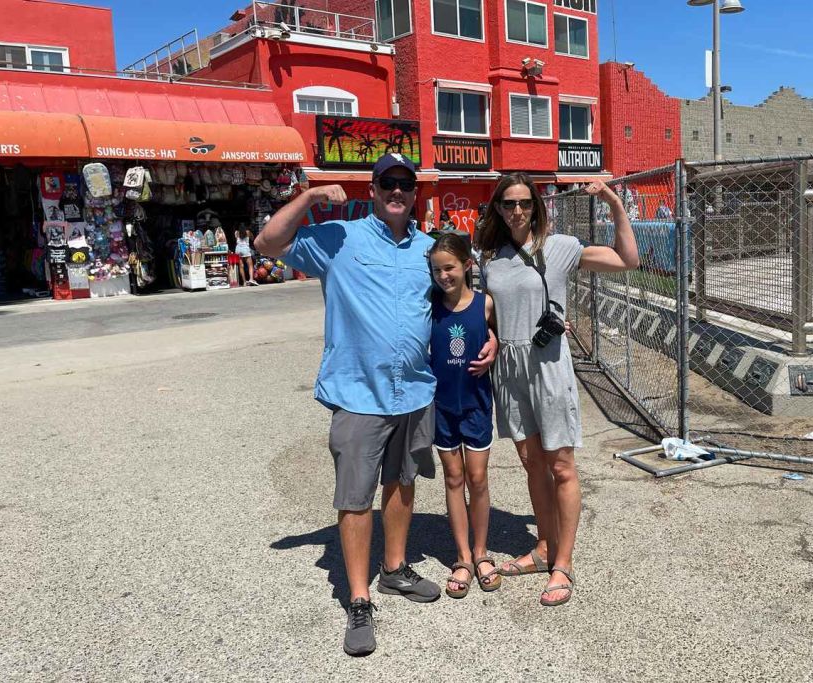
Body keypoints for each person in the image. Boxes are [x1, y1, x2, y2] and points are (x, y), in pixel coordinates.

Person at [254, 153, 496, 657]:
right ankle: (360, 599)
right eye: (388, 182)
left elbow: (463, 299)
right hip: (358, 392)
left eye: (405, 183)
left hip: (414, 391)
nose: (397, 191)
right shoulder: (339, 238)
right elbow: (267, 243)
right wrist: (309, 196)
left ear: (415, 192)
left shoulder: (429, 249)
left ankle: (394, 568)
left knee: (402, 481)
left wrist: (490, 336)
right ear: (373, 188)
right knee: (355, 495)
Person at [476, 173, 638, 607]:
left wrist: (613, 203)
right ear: (497, 209)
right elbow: (489, 312)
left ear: (536, 206)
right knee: (532, 464)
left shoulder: (560, 247)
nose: (517, 211)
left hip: (547, 366)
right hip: (510, 368)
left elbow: (627, 259)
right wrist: (489, 336)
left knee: (561, 465)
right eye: (508, 204)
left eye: (524, 203)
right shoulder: (490, 258)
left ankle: (562, 563)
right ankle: (544, 547)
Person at [427, 233, 501, 599]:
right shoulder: (429, 306)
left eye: (450, 268)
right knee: (453, 477)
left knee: (478, 478)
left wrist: (495, 344)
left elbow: (499, 337)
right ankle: (462, 558)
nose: (443, 276)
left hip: (476, 403)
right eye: (437, 270)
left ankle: (481, 552)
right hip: (442, 406)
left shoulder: (485, 304)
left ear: (467, 265)